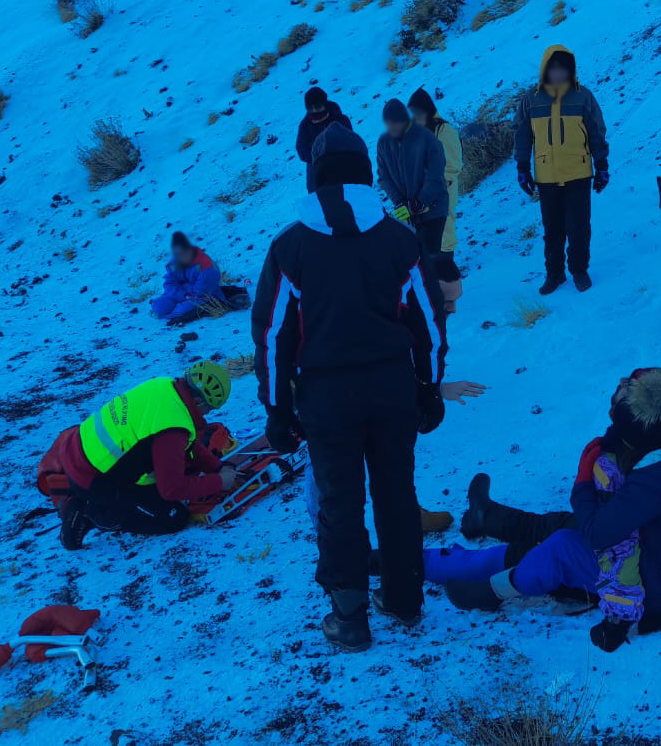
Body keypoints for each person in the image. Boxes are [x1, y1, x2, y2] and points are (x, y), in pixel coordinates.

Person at [253, 122, 449, 652]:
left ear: (313, 178)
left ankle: (349, 616)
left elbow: (272, 335)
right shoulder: (399, 239)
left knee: (340, 502)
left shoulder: (289, 247)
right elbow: (429, 321)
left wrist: (277, 407)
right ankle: (405, 599)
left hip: (325, 400)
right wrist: (429, 387)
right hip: (391, 391)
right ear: (366, 174)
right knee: (396, 494)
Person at [433, 369, 661, 652]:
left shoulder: (652, 479)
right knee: (574, 521)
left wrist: (584, 479)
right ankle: (487, 517)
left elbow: (599, 534)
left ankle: (494, 591)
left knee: (562, 547)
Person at [50, 361, 237, 549]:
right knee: (174, 517)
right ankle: (91, 513)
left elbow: (188, 447)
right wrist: (220, 482)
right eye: (209, 409)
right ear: (198, 401)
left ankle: (97, 499)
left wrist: (217, 467)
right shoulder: (173, 428)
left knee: (179, 474)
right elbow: (171, 488)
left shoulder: (166, 386)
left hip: (80, 452)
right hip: (90, 478)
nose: (207, 414)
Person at [513, 45, 609, 295]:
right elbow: (522, 135)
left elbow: (597, 132)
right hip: (547, 177)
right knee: (552, 229)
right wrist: (522, 167)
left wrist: (602, 166)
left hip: (578, 173)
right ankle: (554, 273)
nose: (558, 73)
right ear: (545, 69)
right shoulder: (531, 100)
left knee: (579, 227)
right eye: (553, 68)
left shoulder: (583, 97)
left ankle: (579, 269)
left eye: (563, 68)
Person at [407, 87, 466, 313]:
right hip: (420, 199)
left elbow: (454, 165)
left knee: (444, 245)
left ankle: (450, 299)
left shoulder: (444, 130)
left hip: (442, 195)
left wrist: (433, 183)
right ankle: (434, 296)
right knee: (427, 248)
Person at [376, 98, 449, 262]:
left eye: (395, 123)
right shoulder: (384, 143)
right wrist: (400, 202)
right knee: (415, 259)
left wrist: (420, 202)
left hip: (433, 208)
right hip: (407, 214)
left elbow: (436, 173)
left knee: (432, 256)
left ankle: (443, 284)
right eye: (388, 124)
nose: (391, 127)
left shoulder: (426, 138)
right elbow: (383, 176)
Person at [150, 232, 223, 325]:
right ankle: (167, 313)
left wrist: (183, 289)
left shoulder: (207, 269)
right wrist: (183, 294)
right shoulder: (178, 260)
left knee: (182, 310)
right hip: (182, 293)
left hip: (205, 298)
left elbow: (201, 293)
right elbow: (169, 283)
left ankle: (168, 316)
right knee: (159, 306)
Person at [295, 87, 353, 193]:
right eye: (310, 108)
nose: (314, 111)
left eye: (317, 107)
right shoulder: (305, 126)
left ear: (324, 105)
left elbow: (351, 142)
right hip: (317, 169)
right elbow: (301, 150)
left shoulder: (340, 119)